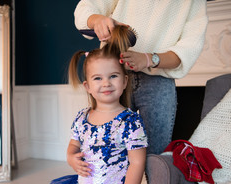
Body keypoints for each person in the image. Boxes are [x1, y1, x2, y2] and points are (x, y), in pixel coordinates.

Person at [46, 26, 148, 184]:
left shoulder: (129, 121)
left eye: (113, 76)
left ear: (124, 81)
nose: (106, 83)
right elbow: (73, 145)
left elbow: (137, 163)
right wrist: (70, 158)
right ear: (87, 86)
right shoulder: (82, 117)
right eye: (98, 79)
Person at [74, 1, 208, 154]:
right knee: (108, 150)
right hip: (113, 75)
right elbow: (86, 8)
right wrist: (96, 20)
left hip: (157, 82)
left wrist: (148, 59)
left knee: (154, 157)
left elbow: (188, 49)